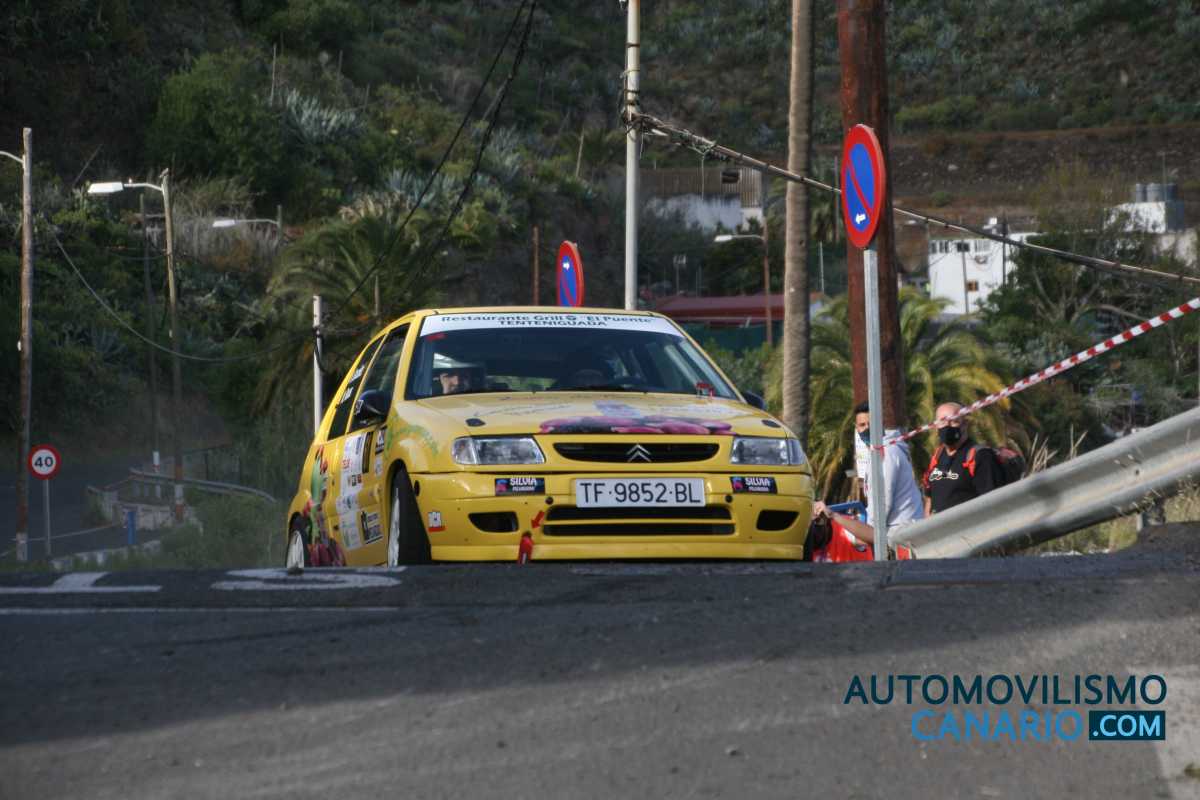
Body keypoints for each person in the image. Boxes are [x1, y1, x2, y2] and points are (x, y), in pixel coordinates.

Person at [812, 401, 924, 552]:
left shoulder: (887, 454)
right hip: (897, 535)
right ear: (856, 428)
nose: (866, 429)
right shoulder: (878, 452)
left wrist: (858, 529)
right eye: (862, 425)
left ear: (881, 424)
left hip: (903, 537)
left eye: (870, 424)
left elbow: (881, 506)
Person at [922, 402, 1002, 515]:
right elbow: (929, 498)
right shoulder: (937, 456)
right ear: (936, 427)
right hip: (941, 525)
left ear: (965, 424)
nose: (947, 426)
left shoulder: (980, 456)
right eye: (942, 422)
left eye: (954, 421)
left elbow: (993, 502)